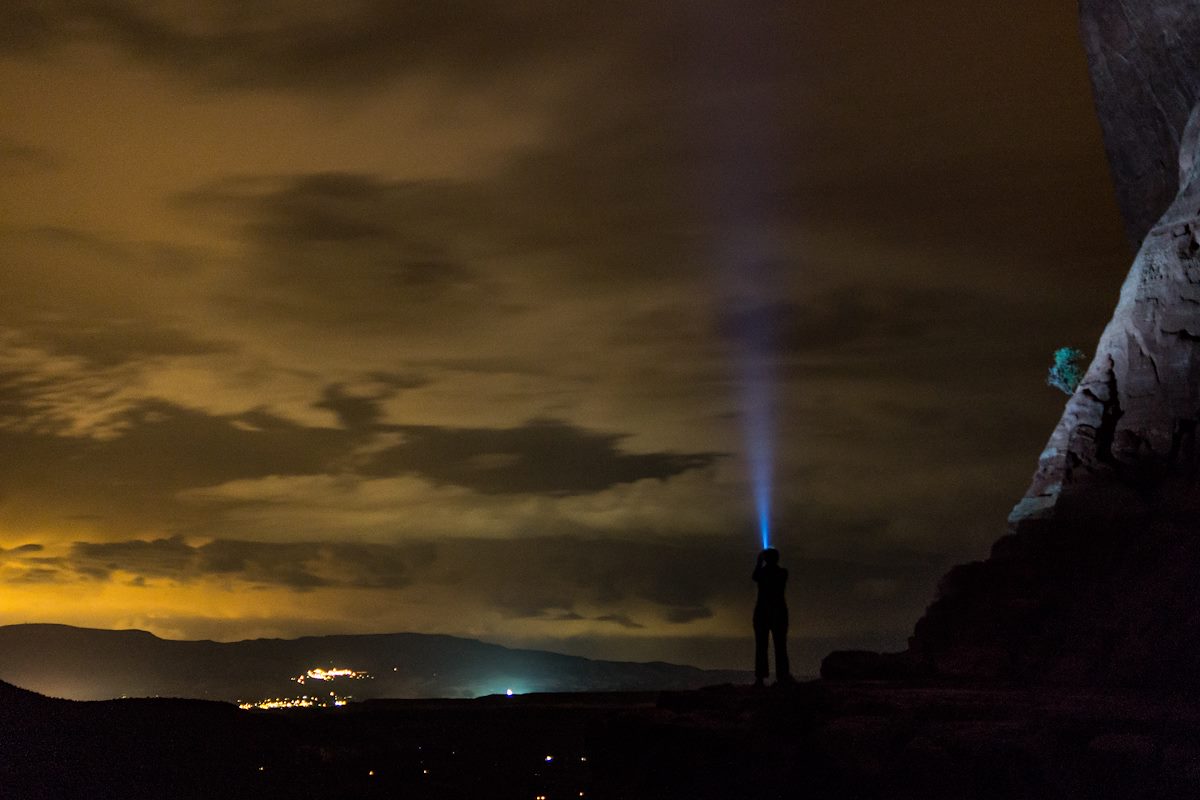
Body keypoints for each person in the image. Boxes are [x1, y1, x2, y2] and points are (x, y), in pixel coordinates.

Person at [752, 547, 793, 686]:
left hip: (762, 612)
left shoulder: (763, 573)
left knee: (761, 646)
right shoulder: (782, 572)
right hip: (779, 612)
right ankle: (782, 676)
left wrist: (758, 563)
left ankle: (760, 678)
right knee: (780, 645)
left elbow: (755, 577)